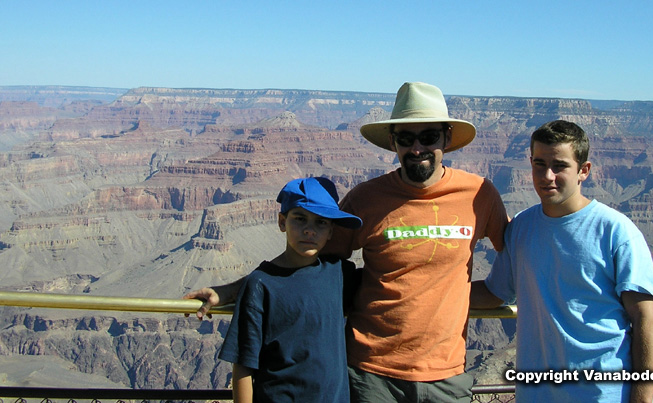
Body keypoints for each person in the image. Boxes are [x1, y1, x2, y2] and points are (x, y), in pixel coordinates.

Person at [186, 82, 510, 402]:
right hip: (371, 375)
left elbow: (517, 252)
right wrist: (231, 290)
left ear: (447, 138)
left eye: (428, 137)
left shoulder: (480, 195)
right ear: (393, 142)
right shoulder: (366, 198)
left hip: (447, 375)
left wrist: (496, 294)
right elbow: (304, 264)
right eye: (406, 138)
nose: (416, 149)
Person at [470, 120, 653, 403]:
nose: (547, 176)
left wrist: (643, 399)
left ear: (583, 170)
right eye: (539, 164)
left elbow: (645, 317)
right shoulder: (522, 227)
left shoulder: (614, 230)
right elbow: (494, 293)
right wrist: (426, 292)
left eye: (559, 166)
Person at [217, 177, 362, 403]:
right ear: (282, 222)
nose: (309, 231)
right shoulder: (260, 285)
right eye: (300, 219)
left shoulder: (339, 274)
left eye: (321, 222)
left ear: (332, 231)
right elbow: (243, 365)